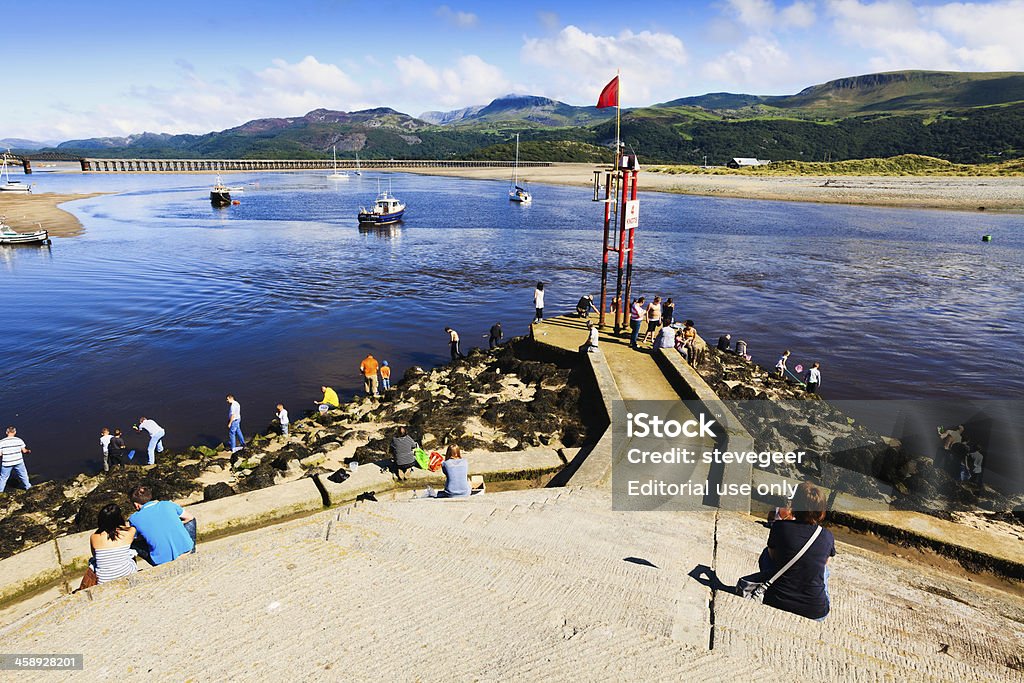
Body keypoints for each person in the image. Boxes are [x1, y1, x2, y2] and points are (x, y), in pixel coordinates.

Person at [762, 482, 835, 621]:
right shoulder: (827, 536)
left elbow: (771, 557)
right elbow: (824, 563)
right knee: (824, 570)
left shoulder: (779, 527)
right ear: (822, 510)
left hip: (776, 600)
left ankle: (771, 586)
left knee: (767, 553)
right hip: (816, 611)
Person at [128, 485, 196, 566]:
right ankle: (190, 547)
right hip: (187, 550)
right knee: (191, 520)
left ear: (136, 504)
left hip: (160, 560)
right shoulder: (167, 504)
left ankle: (131, 568)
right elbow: (189, 518)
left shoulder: (134, 518)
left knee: (132, 543)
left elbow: (135, 538)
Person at [90, 503, 139, 584]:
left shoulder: (94, 537)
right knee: (132, 553)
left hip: (103, 580)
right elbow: (128, 528)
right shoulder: (130, 532)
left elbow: (94, 555)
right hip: (126, 573)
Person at [0, 426, 31, 493]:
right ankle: (28, 488)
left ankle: (0, 492)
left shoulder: (1, 442)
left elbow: (0, 454)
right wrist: (28, 451)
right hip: (18, 461)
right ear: (15, 432)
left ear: (6, 432)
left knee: (3, 478)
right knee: (23, 475)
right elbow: (24, 451)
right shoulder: (19, 440)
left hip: (7, 463)